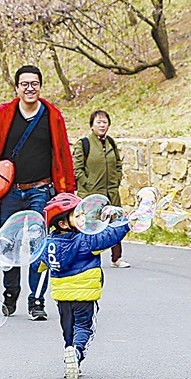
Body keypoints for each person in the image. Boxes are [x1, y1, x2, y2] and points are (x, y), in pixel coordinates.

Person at [0, 65, 75, 321]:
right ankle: (11, 292)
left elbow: (63, 154)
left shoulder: (52, 116)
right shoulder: (5, 114)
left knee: (39, 246)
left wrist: (68, 193)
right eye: (24, 84)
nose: (30, 88)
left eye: (34, 83)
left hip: (41, 190)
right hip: (11, 192)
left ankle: (37, 300)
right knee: (8, 244)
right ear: (17, 87)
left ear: (40, 86)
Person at [38, 193, 130, 379]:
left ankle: (69, 353)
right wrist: (127, 222)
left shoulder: (48, 244)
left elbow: (37, 265)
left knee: (68, 329)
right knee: (85, 328)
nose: (84, 218)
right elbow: (110, 235)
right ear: (63, 223)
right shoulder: (87, 241)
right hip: (85, 296)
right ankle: (77, 353)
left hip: (61, 297)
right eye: (77, 215)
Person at [73, 110, 130, 268]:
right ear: (91, 125)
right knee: (89, 227)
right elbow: (77, 169)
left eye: (105, 122)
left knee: (115, 225)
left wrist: (117, 179)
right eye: (98, 122)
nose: (102, 125)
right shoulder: (83, 144)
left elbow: (118, 163)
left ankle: (116, 258)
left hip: (111, 192)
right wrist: (88, 184)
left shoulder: (111, 142)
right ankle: (86, 258)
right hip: (91, 194)